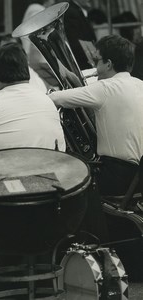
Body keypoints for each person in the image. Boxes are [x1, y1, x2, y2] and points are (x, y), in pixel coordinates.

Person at [49, 34, 143, 196]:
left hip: (118, 177)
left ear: (108, 64)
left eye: (96, 61)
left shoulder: (105, 88)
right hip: (138, 178)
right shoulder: (140, 84)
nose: (94, 65)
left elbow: (54, 99)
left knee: (61, 180)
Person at [64, 0, 96, 70]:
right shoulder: (71, 12)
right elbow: (76, 42)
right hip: (83, 62)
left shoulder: (76, 10)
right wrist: (92, 60)